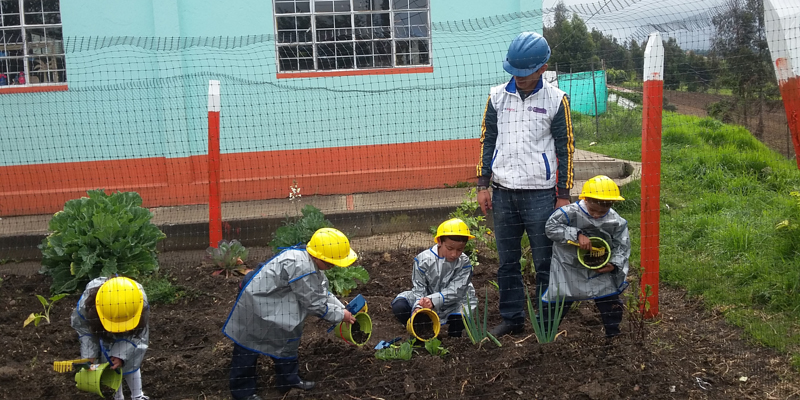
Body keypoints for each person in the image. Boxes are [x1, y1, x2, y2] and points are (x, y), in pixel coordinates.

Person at [476, 31, 575, 336]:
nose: (519, 78)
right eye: (514, 72)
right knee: (507, 262)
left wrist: (563, 194)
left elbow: (565, 147)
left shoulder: (556, 100)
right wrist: (483, 184)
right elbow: (487, 140)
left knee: (545, 261)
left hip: (541, 197)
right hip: (503, 194)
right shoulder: (496, 97)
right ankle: (512, 317)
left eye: (526, 72)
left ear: (542, 68)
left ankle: (545, 320)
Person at [223, 227, 359, 400]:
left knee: (287, 340)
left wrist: (342, 308)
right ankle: (243, 392)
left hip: (278, 304)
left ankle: (288, 381)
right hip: (256, 301)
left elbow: (322, 292)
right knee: (247, 345)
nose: (332, 267)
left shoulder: (310, 260)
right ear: (318, 256)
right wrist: (341, 316)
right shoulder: (302, 266)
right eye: (330, 263)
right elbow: (314, 304)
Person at [542, 175, 630, 338]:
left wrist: (613, 264)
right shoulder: (569, 213)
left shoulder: (616, 221)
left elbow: (622, 245)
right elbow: (550, 228)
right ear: (585, 200)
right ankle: (546, 336)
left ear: (611, 205)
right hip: (568, 267)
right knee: (557, 303)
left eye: (602, 212)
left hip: (600, 268)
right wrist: (576, 234)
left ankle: (614, 338)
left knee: (611, 303)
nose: (596, 215)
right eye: (592, 210)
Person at [391, 218, 478, 338]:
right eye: (450, 248)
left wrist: (433, 300)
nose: (454, 254)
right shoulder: (423, 260)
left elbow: (456, 291)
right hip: (425, 298)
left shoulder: (464, 263)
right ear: (439, 242)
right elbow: (419, 287)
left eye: (460, 249)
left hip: (454, 302)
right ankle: (421, 331)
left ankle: (454, 339)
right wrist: (419, 305)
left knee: (461, 316)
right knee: (399, 306)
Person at [70, 276, 150, 400]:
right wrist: (89, 355)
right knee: (108, 360)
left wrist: (122, 354)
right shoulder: (85, 307)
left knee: (132, 357)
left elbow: (138, 335)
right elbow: (85, 332)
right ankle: (117, 397)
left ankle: (138, 396)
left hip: (131, 328)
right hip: (101, 325)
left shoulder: (138, 300)